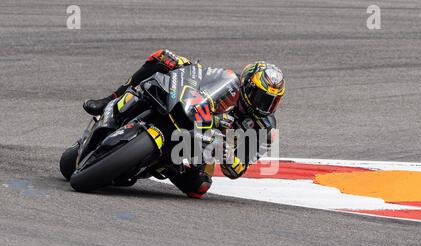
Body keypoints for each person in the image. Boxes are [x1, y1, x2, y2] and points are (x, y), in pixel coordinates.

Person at [83, 49, 286, 198]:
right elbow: (199, 73)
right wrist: (185, 66)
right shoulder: (229, 80)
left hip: (202, 144)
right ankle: (111, 100)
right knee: (163, 57)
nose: (264, 105)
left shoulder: (264, 129)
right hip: (186, 109)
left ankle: (167, 165)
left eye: (271, 101)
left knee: (200, 187)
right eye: (260, 97)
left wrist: (226, 154)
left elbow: (237, 169)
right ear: (247, 85)